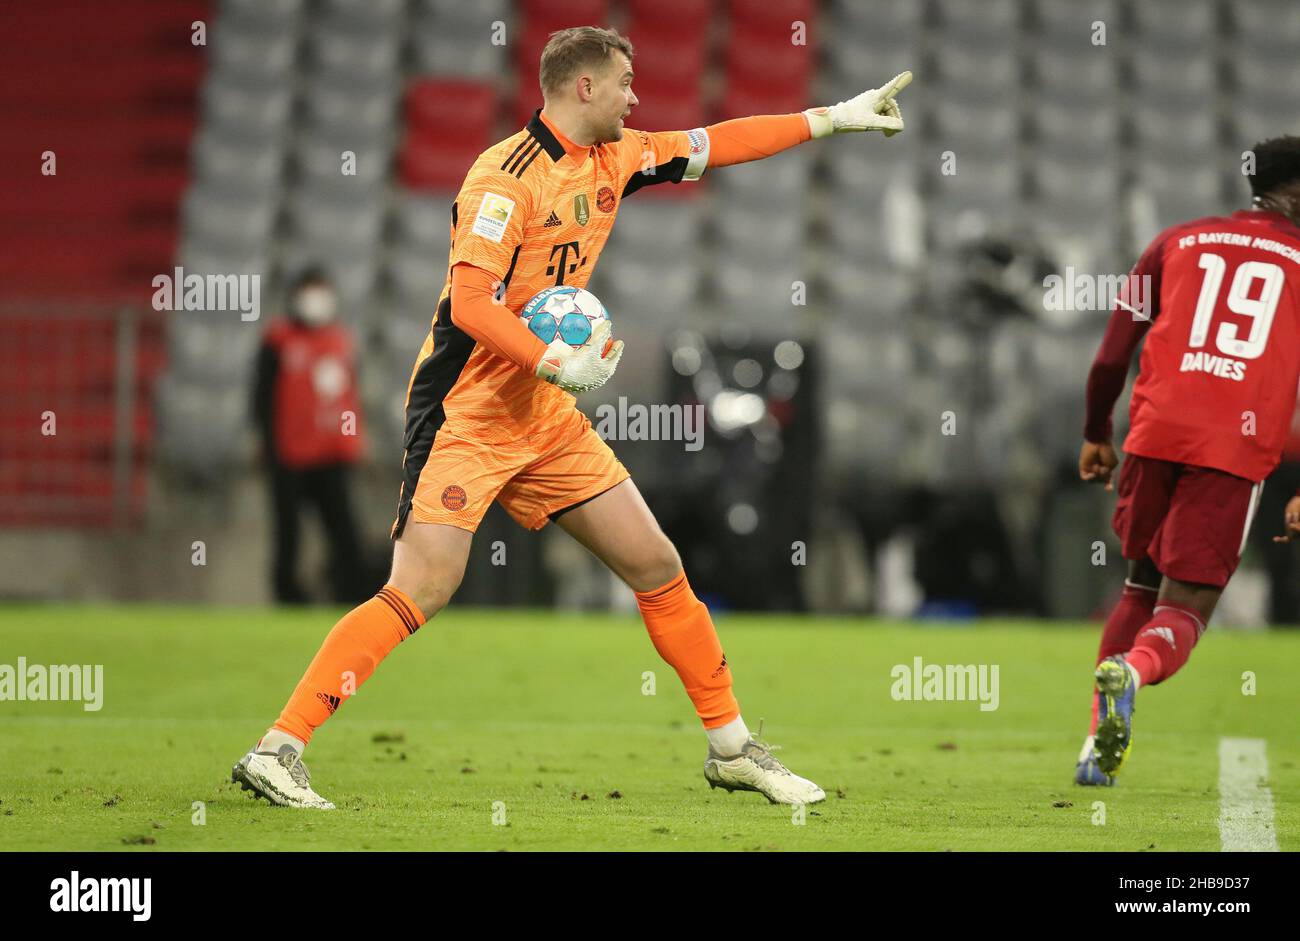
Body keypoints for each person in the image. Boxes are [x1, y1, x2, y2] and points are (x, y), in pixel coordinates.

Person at [233, 25, 911, 808]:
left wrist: (834, 116)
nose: (636, 96)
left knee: (657, 565)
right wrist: (554, 359)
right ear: (582, 86)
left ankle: (732, 748)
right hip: (469, 413)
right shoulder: (503, 178)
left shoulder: (616, 159)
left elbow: (719, 142)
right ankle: (280, 747)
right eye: (625, 81)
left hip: (546, 415)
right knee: (422, 585)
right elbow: (470, 305)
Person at [1074, 136, 1300, 785]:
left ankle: (1095, 745)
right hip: (1231, 447)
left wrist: (1096, 431)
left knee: (1139, 588)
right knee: (1184, 611)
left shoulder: (1178, 240)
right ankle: (1135, 672)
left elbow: (1112, 354)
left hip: (1153, 433)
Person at [252, 266, 368, 605]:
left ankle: (354, 596)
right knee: (288, 534)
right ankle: (287, 597)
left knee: (344, 532)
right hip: (289, 455)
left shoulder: (340, 340)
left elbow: (350, 395)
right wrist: (267, 445)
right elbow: (262, 396)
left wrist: (354, 439)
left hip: (332, 454)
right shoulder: (277, 341)